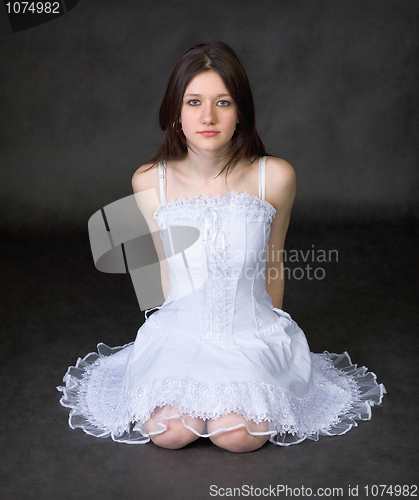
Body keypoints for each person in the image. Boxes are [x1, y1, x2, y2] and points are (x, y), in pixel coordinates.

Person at [57, 42, 385, 454]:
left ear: (240, 113)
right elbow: (164, 268)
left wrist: (272, 345)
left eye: (222, 102)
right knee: (171, 432)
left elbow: (274, 263)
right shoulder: (148, 181)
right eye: (194, 102)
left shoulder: (274, 177)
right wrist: (167, 346)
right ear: (176, 113)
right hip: (182, 334)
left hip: (250, 333)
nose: (207, 117)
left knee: (238, 435)